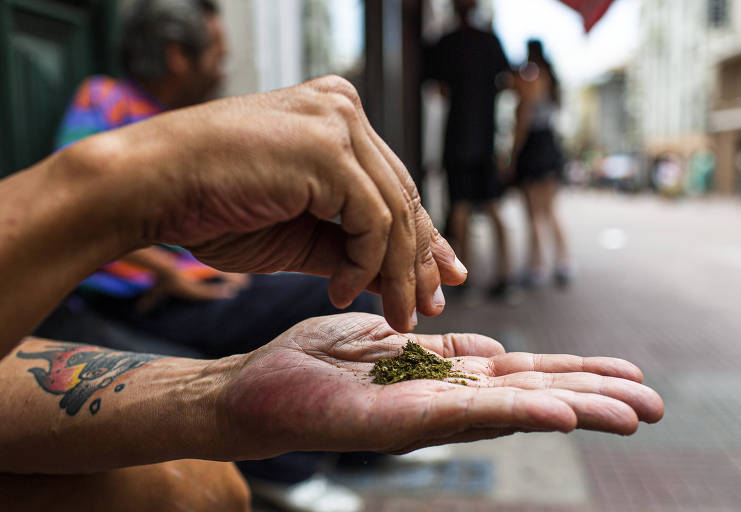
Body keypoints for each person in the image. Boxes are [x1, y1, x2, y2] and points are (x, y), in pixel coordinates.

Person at [0, 76, 664, 510]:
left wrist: (218, 397)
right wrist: (125, 190)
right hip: (128, 300)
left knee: (201, 489)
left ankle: (300, 460)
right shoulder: (107, 107)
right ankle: (291, 477)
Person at [39, 2, 376, 510]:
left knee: (351, 293)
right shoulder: (105, 99)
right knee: (309, 319)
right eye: (217, 52)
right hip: (138, 298)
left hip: (202, 282)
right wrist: (172, 273)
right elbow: (72, 204)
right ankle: (284, 473)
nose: (224, 64)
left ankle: (363, 447)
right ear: (177, 56)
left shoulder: (176, 119)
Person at [424, 0, 513, 299]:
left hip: (457, 137)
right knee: (492, 207)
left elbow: (437, 88)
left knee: (460, 206)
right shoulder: (490, 40)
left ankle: (465, 281)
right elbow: (506, 80)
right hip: (485, 137)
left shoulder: (445, 43)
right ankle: (504, 276)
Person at [509, 40, 571, 289]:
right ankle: (563, 261)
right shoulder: (551, 80)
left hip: (534, 149)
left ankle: (537, 267)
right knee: (550, 211)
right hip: (549, 147)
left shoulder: (530, 79)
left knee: (534, 213)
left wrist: (512, 155)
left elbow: (522, 122)